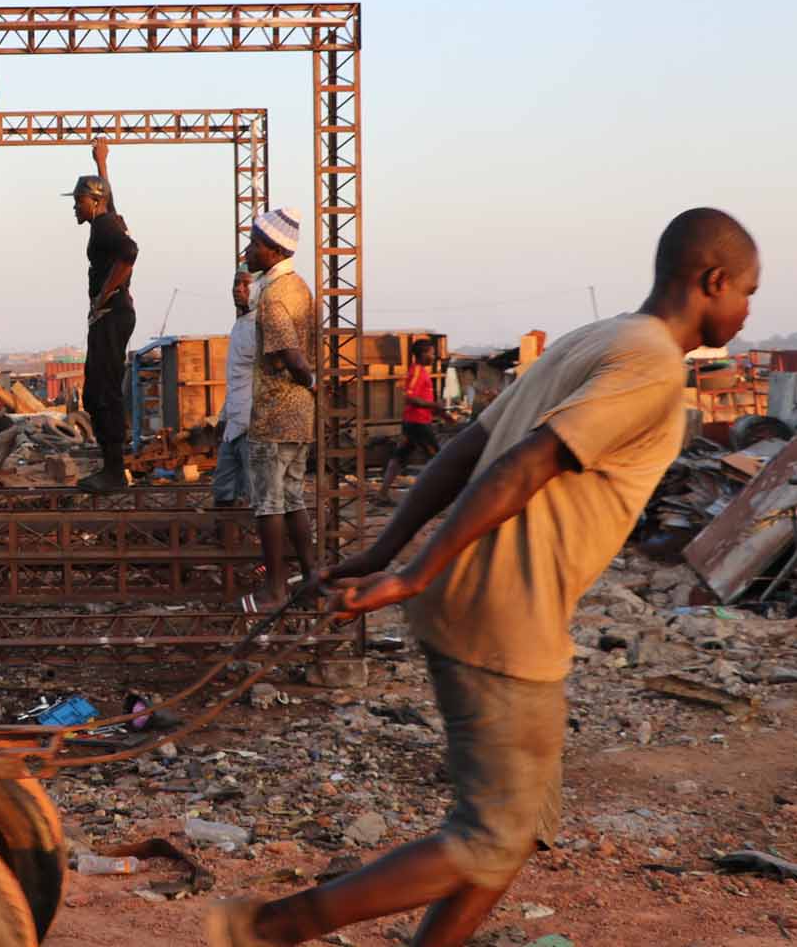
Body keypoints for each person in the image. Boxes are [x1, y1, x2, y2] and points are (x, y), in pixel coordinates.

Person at [207, 209, 759, 947]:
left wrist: (388, 555)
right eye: (748, 293)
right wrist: (407, 570)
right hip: (505, 616)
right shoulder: (652, 362)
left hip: (489, 606)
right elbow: (522, 461)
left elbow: (466, 444)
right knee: (491, 837)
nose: (749, 311)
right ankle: (269, 928)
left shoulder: (594, 337)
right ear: (712, 280)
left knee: (520, 827)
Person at [243, 208, 317, 607]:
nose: (248, 251)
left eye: (254, 244)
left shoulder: (273, 297)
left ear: (273, 250)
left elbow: (290, 353)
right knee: (293, 499)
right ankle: (311, 578)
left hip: (273, 414)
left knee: (268, 504)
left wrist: (306, 376)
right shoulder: (302, 288)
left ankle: (275, 588)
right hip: (301, 417)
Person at [67, 138, 140, 492]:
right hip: (111, 316)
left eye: (79, 201)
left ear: (94, 202)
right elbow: (111, 201)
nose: (75, 207)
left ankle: (114, 472)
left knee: (103, 391)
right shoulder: (108, 218)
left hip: (111, 315)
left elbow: (129, 252)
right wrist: (101, 164)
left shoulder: (103, 226)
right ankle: (111, 466)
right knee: (95, 390)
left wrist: (105, 294)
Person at [378, 339, 450, 502]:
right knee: (436, 458)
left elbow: (421, 399)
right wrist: (434, 405)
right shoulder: (417, 371)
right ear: (423, 354)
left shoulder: (421, 371)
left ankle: (383, 492)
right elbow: (410, 398)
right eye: (431, 353)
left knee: (399, 457)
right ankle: (436, 495)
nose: (433, 356)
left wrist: (440, 412)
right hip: (418, 423)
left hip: (413, 422)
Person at [214, 270, 257, 507]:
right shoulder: (239, 325)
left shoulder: (261, 327)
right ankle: (227, 540)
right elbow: (236, 380)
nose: (238, 289)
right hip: (234, 423)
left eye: (245, 284)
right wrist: (223, 417)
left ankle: (257, 541)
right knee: (223, 488)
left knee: (255, 493)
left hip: (254, 424)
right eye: (235, 283)